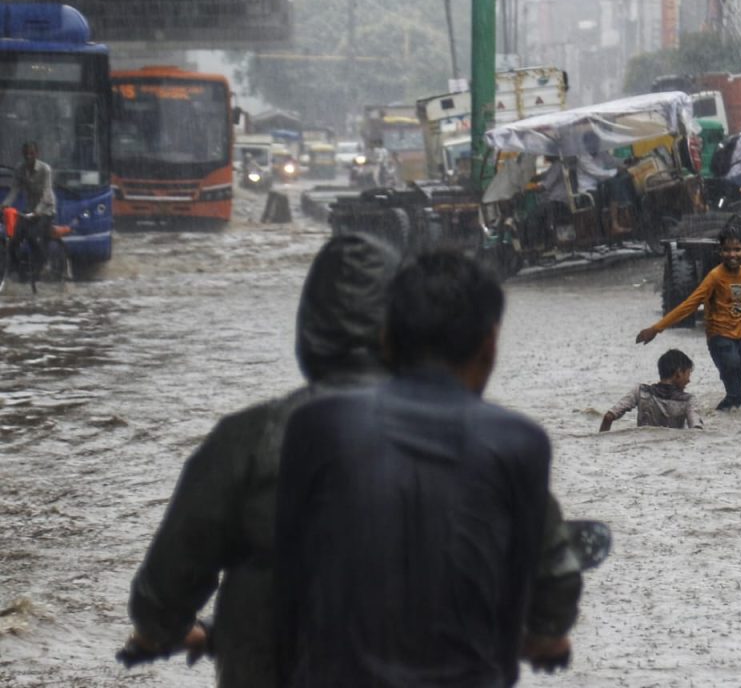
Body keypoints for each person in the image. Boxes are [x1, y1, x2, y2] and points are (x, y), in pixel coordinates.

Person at [274, 250, 578, 687]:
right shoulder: (520, 443)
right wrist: (546, 634)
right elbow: (541, 574)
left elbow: (289, 579)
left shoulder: (316, 425)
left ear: (386, 340)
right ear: (490, 344)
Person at [121, 231, 402, 687]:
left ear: (310, 326)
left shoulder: (249, 438)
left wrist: (166, 630)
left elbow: (170, 580)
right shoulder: (463, 438)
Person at [635, 225, 741, 413]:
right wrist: (656, 328)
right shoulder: (714, 277)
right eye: (726, 250)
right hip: (721, 341)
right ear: (720, 251)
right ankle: (711, 421)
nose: (732, 255)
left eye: (737, 249)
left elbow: (735, 305)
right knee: (736, 396)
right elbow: (690, 304)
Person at [600, 348, 703, 431]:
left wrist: (602, 445)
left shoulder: (641, 391)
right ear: (679, 373)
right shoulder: (688, 400)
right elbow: (697, 430)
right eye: (688, 374)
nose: (689, 380)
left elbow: (608, 417)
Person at [1, 141, 57, 276]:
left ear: (37, 154)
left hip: (46, 209)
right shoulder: (20, 169)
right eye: (26, 154)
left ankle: (43, 264)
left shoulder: (45, 169)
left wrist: (38, 211)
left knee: (33, 236)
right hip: (29, 209)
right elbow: (15, 189)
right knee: (13, 238)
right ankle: (16, 269)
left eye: (31, 153)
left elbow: (46, 193)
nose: (28, 156)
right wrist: (5, 204)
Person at [576, 130, 633, 236]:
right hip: (588, 191)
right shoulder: (582, 159)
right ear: (586, 144)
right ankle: (614, 224)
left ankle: (628, 214)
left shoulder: (600, 153)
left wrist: (626, 161)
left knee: (625, 179)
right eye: (592, 142)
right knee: (614, 183)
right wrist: (617, 171)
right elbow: (599, 174)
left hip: (601, 186)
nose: (595, 145)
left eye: (596, 142)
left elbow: (612, 161)